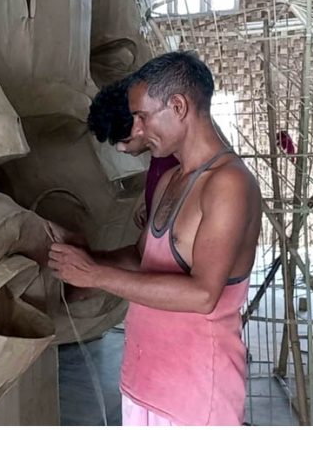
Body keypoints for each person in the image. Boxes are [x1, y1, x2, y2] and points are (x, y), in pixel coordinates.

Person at [48, 51, 262, 425]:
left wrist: (97, 276)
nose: (138, 130)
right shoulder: (169, 180)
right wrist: (89, 258)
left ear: (178, 106)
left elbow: (202, 294)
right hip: (144, 383)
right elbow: (143, 258)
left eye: (143, 117)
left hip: (196, 397)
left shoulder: (229, 184)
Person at [87, 78, 179, 226]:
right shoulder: (161, 150)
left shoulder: (179, 163)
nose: (120, 148)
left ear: (140, 125)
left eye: (125, 140)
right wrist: (147, 200)